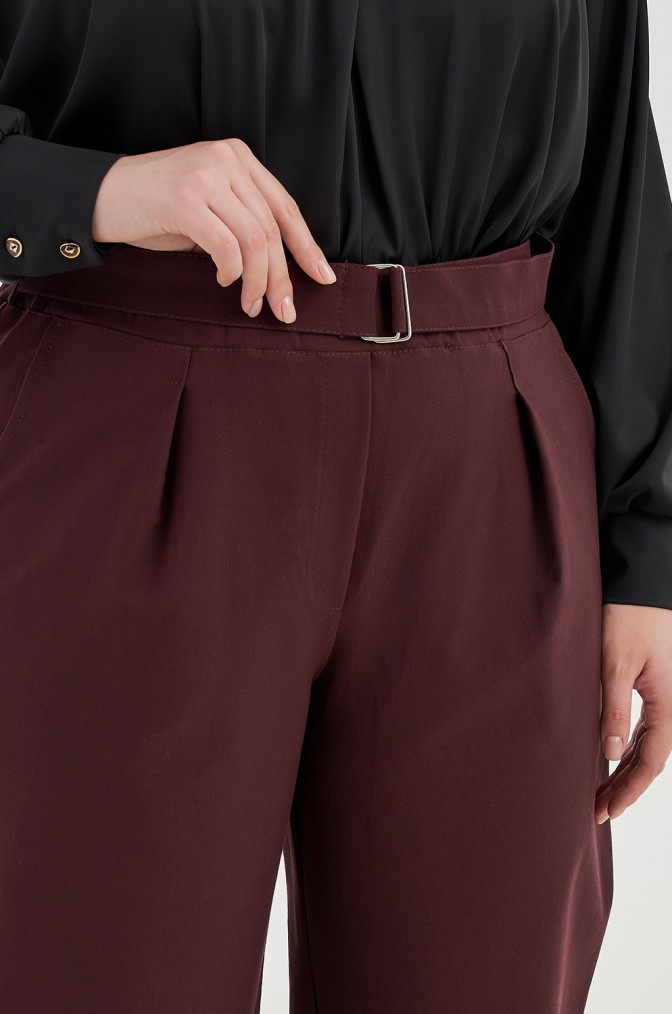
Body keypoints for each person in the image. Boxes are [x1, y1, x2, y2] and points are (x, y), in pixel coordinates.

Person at [0, 0, 670, 1011]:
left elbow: (617, 170)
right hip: (125, 428)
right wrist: (95, 191)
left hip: (492, 462)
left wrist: (647, 551)